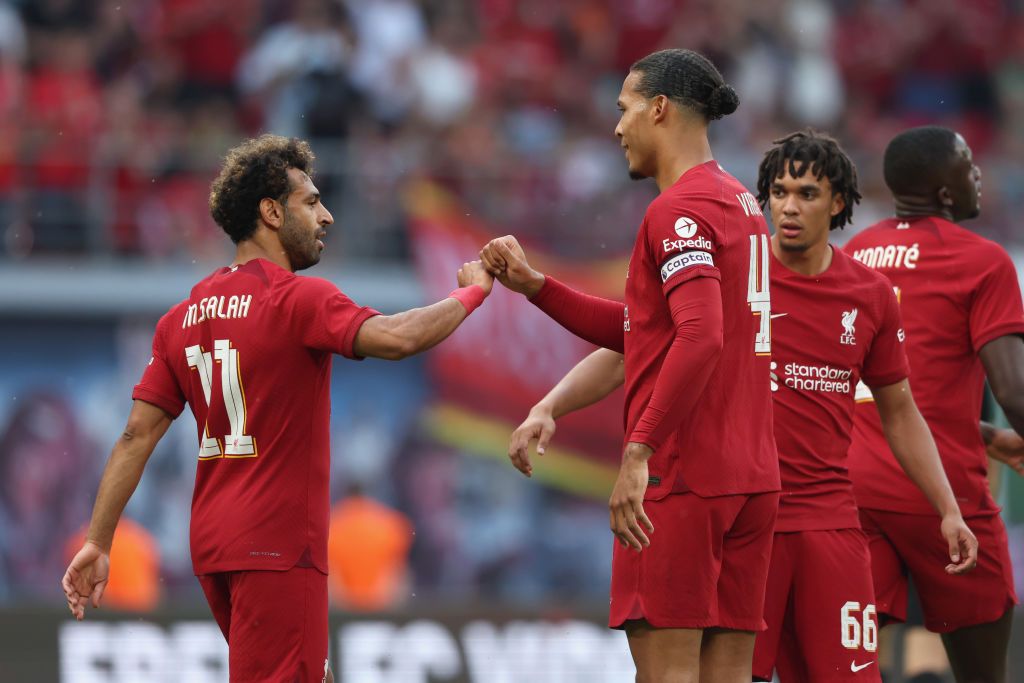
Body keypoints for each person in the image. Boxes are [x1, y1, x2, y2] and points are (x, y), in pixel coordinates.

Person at [61, 134, 493, 683]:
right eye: (311, 202)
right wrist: (473, 293)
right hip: (278, 549)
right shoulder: (295, 300)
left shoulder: (182, 319)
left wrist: (99, 541)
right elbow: (396, 338)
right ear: (270, 211)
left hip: (216, 551)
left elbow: (134, 438)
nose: (327, 215)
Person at [481, 48, 780, 682]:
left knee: (667, 674)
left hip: (683, 477)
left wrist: (639, 451)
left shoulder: (675, 212)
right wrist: (537, 288)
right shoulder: (741, 205)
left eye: (623, 111)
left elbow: (700, 338)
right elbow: (641, 335)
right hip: (750, 479)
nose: (616, 128)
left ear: (660, 109)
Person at [749, 130, 977, 682]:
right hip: (749, 524)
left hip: (831, 526)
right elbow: (636, 344)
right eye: (779, 192)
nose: (789, 206)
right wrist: (552, 405)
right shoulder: (739, 275)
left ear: (839, 203)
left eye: (806, 193)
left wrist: (948, 508)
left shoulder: (871, 295)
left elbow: (900, 411)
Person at [844, 126, 1024, 683]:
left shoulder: (854, 253)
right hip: (941, 493)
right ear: (945, 192)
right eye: (968, 167)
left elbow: (878, 385)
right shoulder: (983, 261)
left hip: (853, 491)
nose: (978, 177)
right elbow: (1014, 391)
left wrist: (986, 435)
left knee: (844, 667)